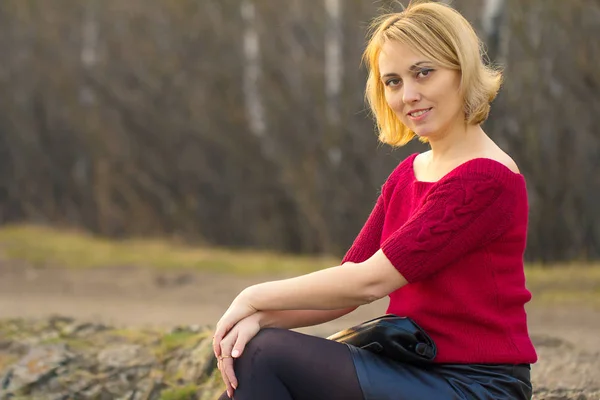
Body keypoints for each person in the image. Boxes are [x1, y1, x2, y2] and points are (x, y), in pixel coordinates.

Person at [212, 1, 538, 399]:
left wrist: (251, 296)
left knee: (263, 354)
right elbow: (346, 287)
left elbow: (368, 283)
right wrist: (259, 318)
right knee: (253, 347)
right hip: (410, 366)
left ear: (462, 71)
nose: (409, 95)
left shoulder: (485, 178)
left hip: (477, 385)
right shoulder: (408, 175)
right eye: (393, 81)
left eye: (423, 73)